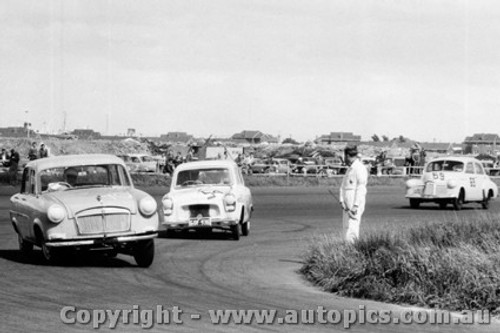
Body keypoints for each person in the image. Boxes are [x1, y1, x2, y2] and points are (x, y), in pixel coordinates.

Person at [338, 145, 368, 243]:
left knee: (352, 229)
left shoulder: (359, 168)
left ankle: (352, 251)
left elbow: (361, 188)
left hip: (354, 205)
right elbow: (343, 186)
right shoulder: (349, 169)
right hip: (346, 205)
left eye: (344, 156)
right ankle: (346, 250)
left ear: (347, 156)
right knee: (346, 228)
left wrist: (355, 205)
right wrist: (341, 200)